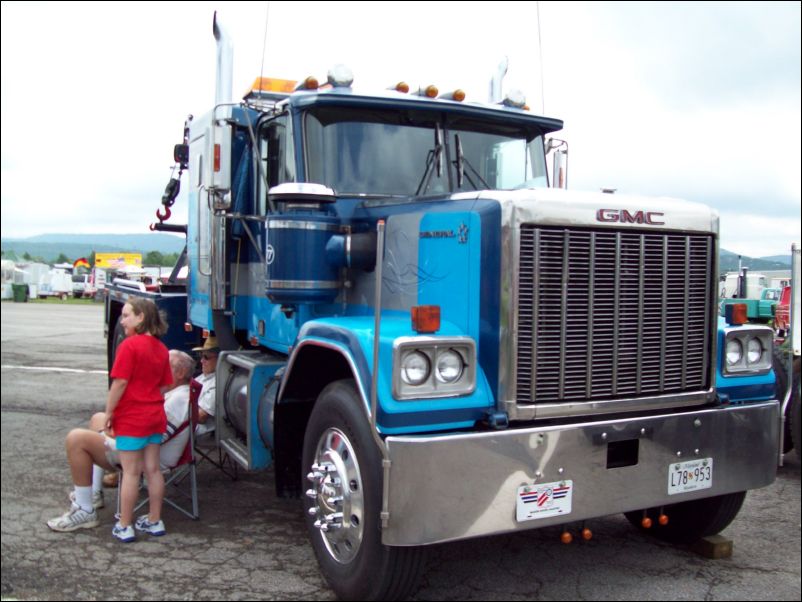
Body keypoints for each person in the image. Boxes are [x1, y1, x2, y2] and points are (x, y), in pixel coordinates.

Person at [46, 298, 172, 542]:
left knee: (131, 472)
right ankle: (155, 520)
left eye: (126, 316)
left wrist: (110, 412)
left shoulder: (129, 346)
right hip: (154, 416)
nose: (122, 321)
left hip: (133, 418)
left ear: (140, 318)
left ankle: (125, 524)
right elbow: (165, 384)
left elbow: (120, 383)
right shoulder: (161, 348)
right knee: (153, 470)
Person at [47, 350, 196, 529]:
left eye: (164, 366)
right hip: (147, 447)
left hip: (147, 456)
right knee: (98, 418)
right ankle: (93, 494)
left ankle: (84, 510)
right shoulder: (177, 393)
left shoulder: (178, 399)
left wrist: (113, 432)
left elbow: (153, 435)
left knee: (76, 439)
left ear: (180, 373)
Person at [193, 336, 219, 437]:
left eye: (206, 357)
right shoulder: (203, 376)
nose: (201, 361)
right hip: (188, 420)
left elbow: (202, 417)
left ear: (219, 359)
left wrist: (178, 412)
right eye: (202, 356)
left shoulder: (216, 383)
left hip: (200, 428)